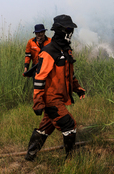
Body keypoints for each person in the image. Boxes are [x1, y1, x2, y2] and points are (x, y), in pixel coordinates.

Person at [25, 15, 86, 161]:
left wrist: (77, 88)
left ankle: (30, 156)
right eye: (68, 29)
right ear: (60, 30)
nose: (71, 32)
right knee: (69, 125)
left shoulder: (66, 50)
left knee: (46, 127)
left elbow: (69, 75)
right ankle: (70, 159)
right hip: (51, 99)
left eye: (71, 29)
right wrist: (38, 102)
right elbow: (39, 79)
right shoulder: (48, 51)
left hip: (59, 97)